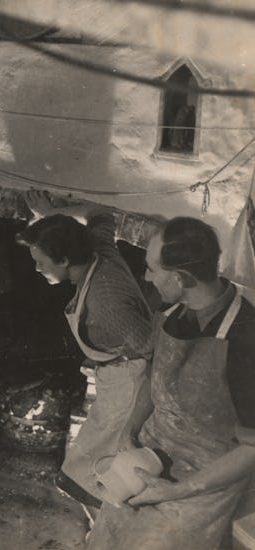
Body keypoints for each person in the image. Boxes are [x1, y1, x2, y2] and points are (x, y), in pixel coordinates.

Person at [87, 217, 255, 550]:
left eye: (152, 269)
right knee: (107, 537)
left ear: (180, 278)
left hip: (203, 480)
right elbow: (156, 377)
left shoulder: (245, 339)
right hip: (149, 454)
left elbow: (252, 448)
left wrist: (177, 490)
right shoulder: (172, 314)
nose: (147, 277)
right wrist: (129, 429)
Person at [20, 191, 153, 515]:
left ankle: (108, 528)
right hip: (117, 376)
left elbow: (149, 350)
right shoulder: (99, 249)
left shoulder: (105, 301)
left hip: (131, 387)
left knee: (102, 475)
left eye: (40, 262)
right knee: (88, 470)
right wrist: (52, 213)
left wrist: (137, 414)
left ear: (64, 260)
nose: (36, 268)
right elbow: (101, 213)